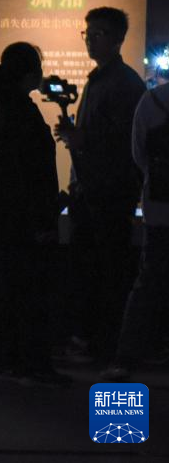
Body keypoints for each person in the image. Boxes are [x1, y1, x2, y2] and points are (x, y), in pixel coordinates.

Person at [55, 7, 147, 362]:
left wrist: (83, 140)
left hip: (108, 194)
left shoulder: (124, 84)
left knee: (106, 272)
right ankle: (92, 341)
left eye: (98, 34)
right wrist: (79, 137)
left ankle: (104, 345)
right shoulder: (100, 79)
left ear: (118, 40)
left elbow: (127, 142)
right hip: (90, 191)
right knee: (90, 269)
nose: (90, 41)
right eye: (88, 34)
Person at [0, 43, 70, 386]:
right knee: (30, 292)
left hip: (9, 216)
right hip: (25, 219)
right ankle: (30, 363)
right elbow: (29, 172)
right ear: (31, 73)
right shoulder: (20, 111)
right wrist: (43, 217)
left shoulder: (5, 107)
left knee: (10, 289)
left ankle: (8, 359)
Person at [102, 79, 169, 379]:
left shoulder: (152, 101)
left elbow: (138, 155)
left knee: (148, 283)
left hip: (160, 207)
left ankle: (126, 357)